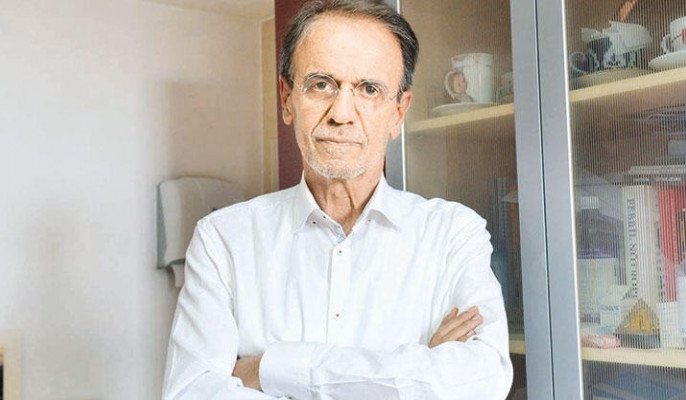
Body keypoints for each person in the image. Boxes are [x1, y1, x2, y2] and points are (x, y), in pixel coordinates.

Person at [162, 0, 513, 399]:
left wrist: (272, 368)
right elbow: (191, 392)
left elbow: (480, 382)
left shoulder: (453, 234)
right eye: (321, 84)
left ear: (399, 113)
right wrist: (416, 373)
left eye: (369, 89)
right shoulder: (223, 239)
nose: (342, 113)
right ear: (287, 99)